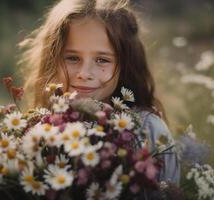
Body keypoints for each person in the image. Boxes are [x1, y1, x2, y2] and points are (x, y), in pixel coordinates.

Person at [18, 0, 180, 197]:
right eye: (72, 58)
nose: (84, 73)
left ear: (125, 65)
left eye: (102, 60)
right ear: (53, 59)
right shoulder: (38, 131)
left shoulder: (148, 131)